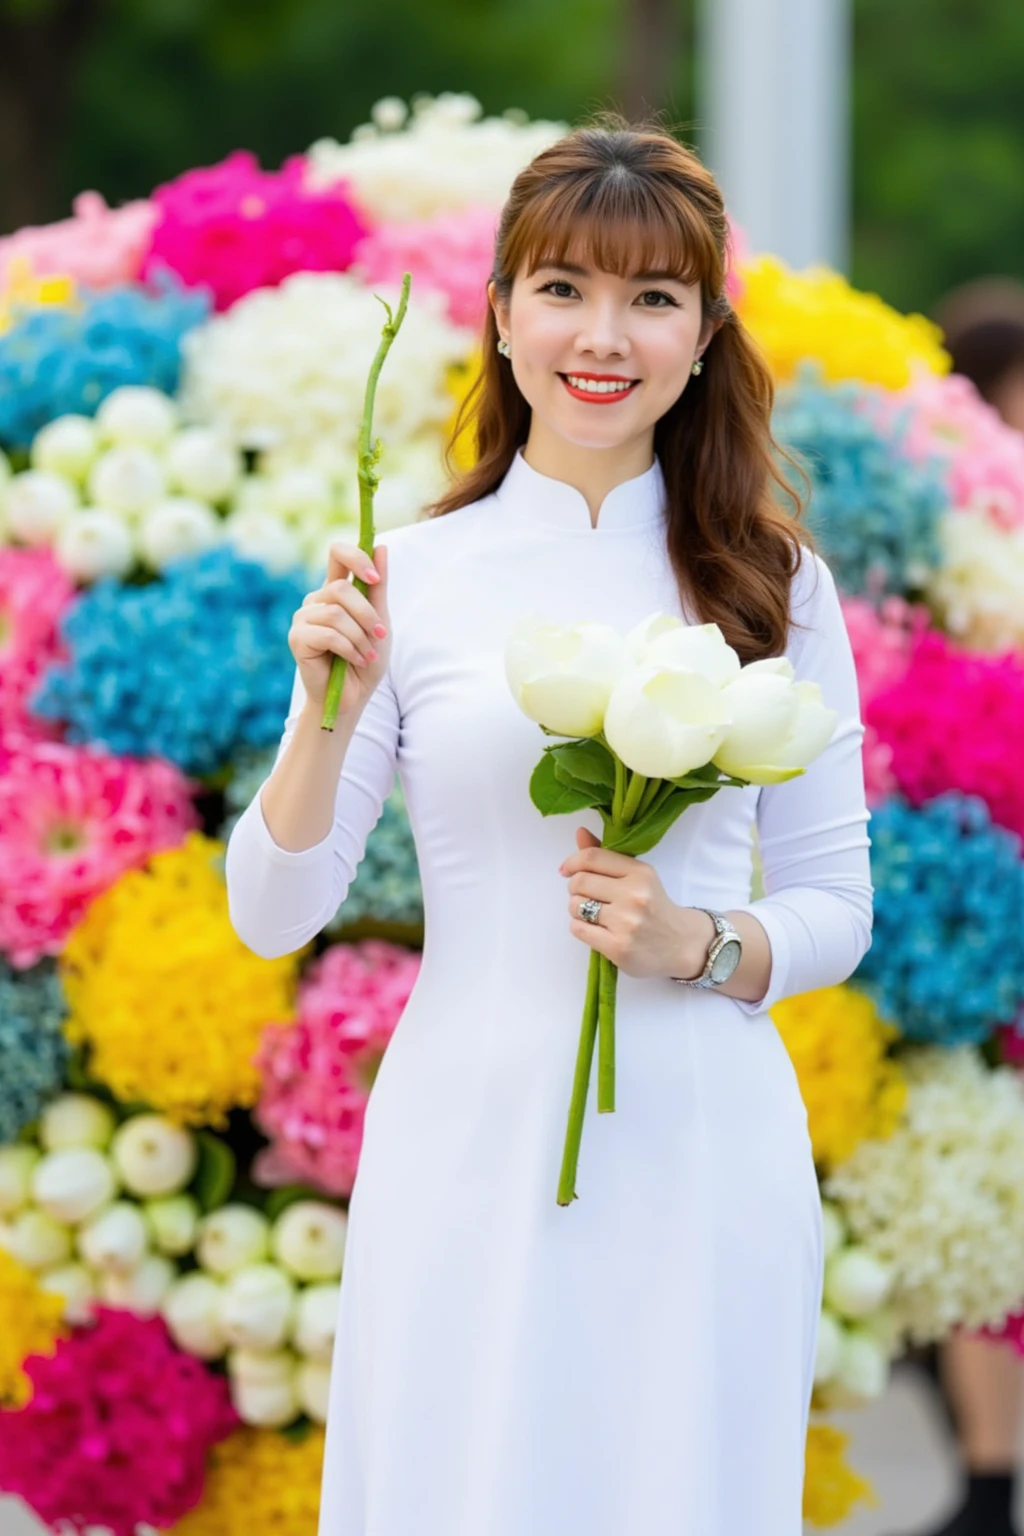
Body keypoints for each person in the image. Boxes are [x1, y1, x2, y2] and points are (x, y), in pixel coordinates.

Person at [224, 112, 874, 1536]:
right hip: (468, 1134)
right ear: (504, 313)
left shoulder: (772, 584)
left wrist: (697, 940)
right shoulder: (406, 576)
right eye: (567, 288)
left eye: (653, 298)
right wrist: (326, 703)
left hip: (705, 1150)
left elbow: (834, 904)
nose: (606, 334)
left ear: (704, 335)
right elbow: (274, 909)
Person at [884, 278, 1024, 1536]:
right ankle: (987, 1479)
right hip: (980, 890)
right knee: (987, 1181)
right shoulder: (968, 528)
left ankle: (988, 1482)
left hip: (973, 882)